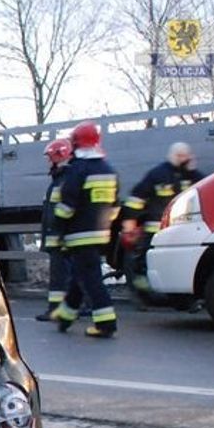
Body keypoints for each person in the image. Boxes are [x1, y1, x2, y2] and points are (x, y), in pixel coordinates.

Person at [48, 121, 120, 338]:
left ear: (76, 143)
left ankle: (106, 323)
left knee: (91, 279)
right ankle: (66, 316)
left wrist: (58, 230)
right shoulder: (109, 170)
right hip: (101, 234)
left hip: (78, 235)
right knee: (81, 275)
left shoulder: (77, 170)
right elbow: (115, 206)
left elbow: (66, 208)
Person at [120, 142, 207, 300]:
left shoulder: (194, 176)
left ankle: (182, 298)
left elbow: (207, 192)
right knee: (143, 264)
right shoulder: (158, 174)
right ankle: (144, 295)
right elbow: (136, 198)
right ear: (172, 156)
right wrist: (130, 222)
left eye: (186, 156)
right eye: (180, 156)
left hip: (185, 231)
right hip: (157, 231)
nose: (183, 159)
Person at [35, 138, 75, 321]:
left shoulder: (64, 180)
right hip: (57, 237)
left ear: (60, 156)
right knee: (62, 275)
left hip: (60, 238)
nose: (48, 161)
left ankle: (57, 310)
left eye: (50, 157)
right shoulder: (59, 179)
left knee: (60, 277)